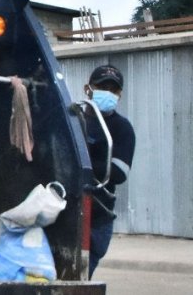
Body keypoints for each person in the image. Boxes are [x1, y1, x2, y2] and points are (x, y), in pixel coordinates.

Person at [83, 64, 135, 277]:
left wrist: (82, 163)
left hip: (97, 217)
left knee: (80, 278)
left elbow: (119, 172)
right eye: (102, 86)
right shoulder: (73, 119)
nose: (108, 92)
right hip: (60, 211)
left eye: (113, 90)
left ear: (120, 95)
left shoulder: (122, 128)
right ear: (88, 89)